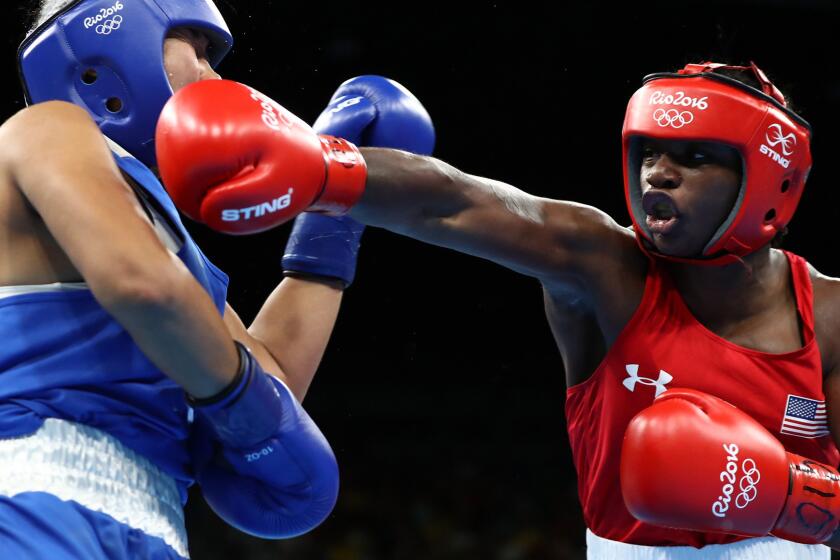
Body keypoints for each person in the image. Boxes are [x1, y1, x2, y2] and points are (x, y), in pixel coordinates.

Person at [158, 60, 840, 558]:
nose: (658, 174)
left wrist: (792, 496)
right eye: (649, 152)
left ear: (768, 182)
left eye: (694, 158)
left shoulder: (831, 316)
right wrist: (323, 168)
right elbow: (459, 201)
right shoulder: (606, 269)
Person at [0, 0, 429, 556]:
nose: (216, 74)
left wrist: (334, 218)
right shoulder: (48, 127)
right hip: (33, 485)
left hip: (155, 523)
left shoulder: (163, 241)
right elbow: (144, 289)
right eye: (196, 49)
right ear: (103, 56)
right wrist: (243, 401)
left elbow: (266, 383)